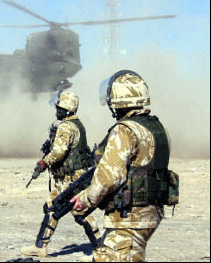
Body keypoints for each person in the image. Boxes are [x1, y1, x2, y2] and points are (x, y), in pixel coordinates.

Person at [70, 70, 173, 262]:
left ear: (118, 100)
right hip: (150, 212)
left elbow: (109, 177)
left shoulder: (125, 129)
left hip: (130, 216)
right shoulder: (156, 127)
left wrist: (85, 199)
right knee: (103, 255)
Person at [21, 90, 100, 258]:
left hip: (71, 178)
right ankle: (41, 246)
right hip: (67, 177)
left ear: (65, 108)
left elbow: (58, 153)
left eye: (59, 107)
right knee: (51, 207)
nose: (56, 110)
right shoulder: (77, 124)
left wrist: (44, 162)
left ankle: (100, 247)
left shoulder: (66, 126)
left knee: (81, 212)